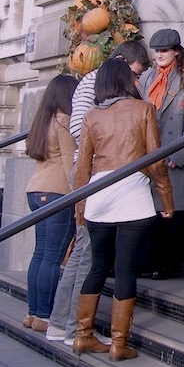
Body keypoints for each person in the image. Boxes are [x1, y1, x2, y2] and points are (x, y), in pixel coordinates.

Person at [44, 40, 150, 345]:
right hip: (94, 176)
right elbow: (80, 128)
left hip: (93, 175)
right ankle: (73, 330)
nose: (135, 80)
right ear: (119, 63)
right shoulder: (96, 84)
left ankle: (60, 323)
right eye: (133, 73)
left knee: (80, 253)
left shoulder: (95, 85)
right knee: (89, 256)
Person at [73, 57, 174, 360]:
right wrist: (167, 201)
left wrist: (79, 206)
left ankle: (83, 336)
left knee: (98, 266)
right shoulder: (143, 109)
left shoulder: (91, 115)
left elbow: (83, 167)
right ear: (125, 80)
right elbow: (155, 161)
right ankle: (119, 343)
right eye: (132, 77)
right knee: (127, 269)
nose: (137, 80)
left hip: (98, 195)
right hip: (132, 194)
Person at [137, 28, 184, 278]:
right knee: (149, 210)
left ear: (177, 51)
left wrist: (179, 155)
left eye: (164, 50)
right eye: (156, 51)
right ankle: (148, 261)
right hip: (148, 154)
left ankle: (167, 263)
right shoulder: (146, 78)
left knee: (172, 211)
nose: (159, 55)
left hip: (176, 154)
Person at [21, 74, 78, 332]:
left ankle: (33, 312)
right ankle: (44, 315)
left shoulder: (41, 121)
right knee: (53, 259)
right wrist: (82, 194)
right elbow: (70, 164)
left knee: (40, 254)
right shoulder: (63, 120)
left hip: (35, 190)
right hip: (58, 192)